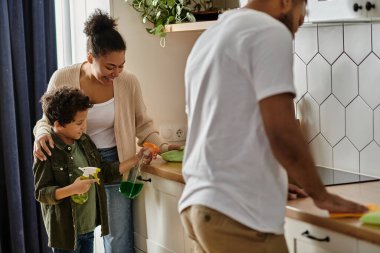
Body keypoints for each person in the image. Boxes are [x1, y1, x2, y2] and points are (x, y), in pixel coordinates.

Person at [178, 0, 368, 253]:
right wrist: (322, 196)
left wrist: (269, 179)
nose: (294, 33)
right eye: (299, 20)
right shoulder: (267, 30)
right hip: (238, 217)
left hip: (199, 207)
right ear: (285, 2)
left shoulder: (210, 36)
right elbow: (282, 132)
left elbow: (218, 128)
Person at [33, 9, 179, 253]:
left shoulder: (127, 82)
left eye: (121, 66)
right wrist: (41, 136)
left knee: (118, 240)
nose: (116, 73)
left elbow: (143, 125)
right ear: (91, 57)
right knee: (79, 237)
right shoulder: (63, 77)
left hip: (114, 165)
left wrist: (162, 146)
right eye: (110, 66)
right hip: (74, 166)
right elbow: (47, 121)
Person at [33, 87, 148, 252]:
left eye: (85, 120)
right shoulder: (46, 151)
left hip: (88, 228)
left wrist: (137, 158)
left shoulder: (84, 141)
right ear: (58, 125)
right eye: (79, 123)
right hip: (66, 234)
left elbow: (104, 171)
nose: (84, 127)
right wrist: (72, 189)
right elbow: (41, 193)